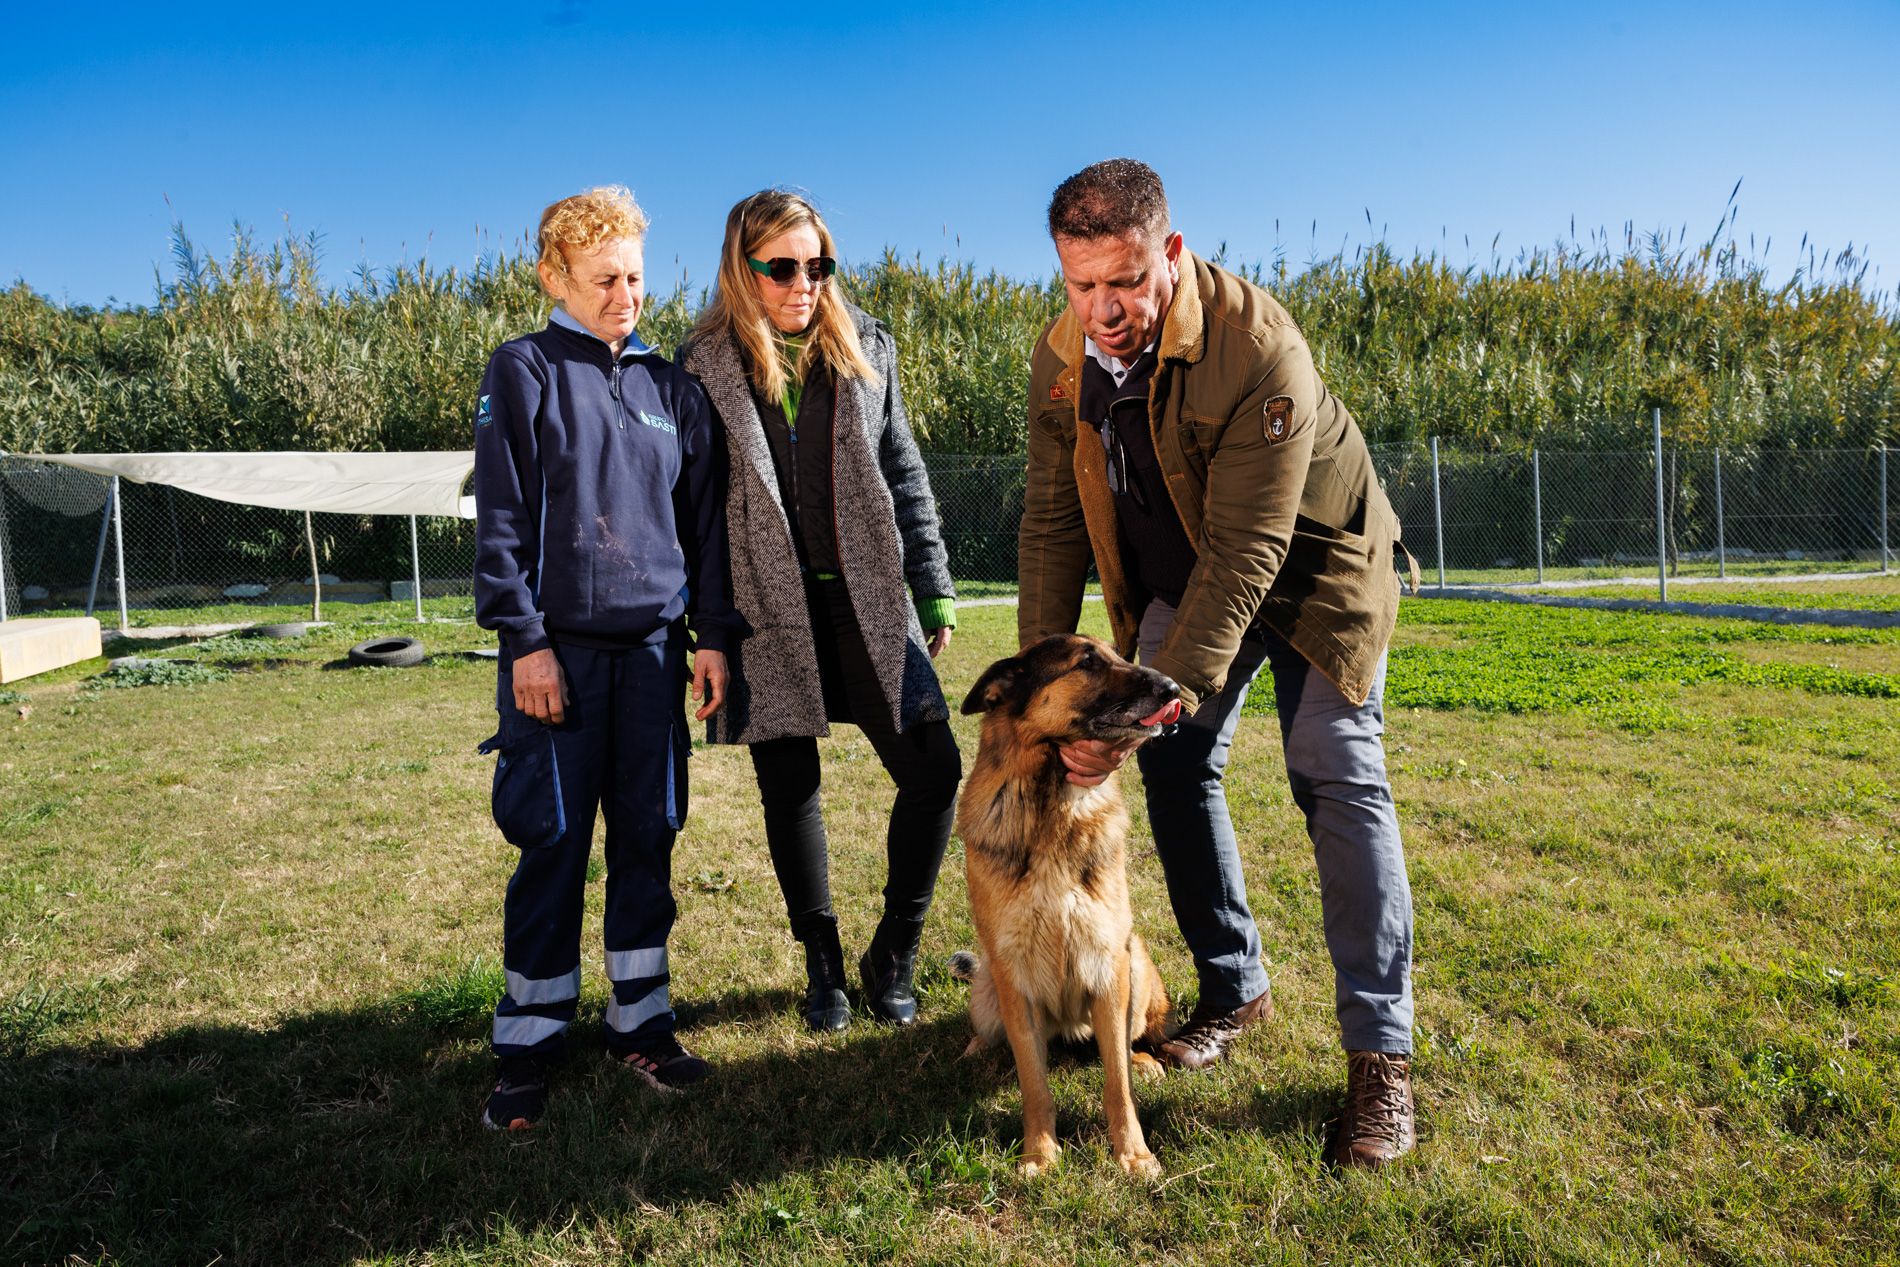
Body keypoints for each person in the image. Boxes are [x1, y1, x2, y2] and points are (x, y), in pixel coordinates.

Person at [1016, 159, 1418, 1168]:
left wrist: (1146, 705)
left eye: (1124, 282)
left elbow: (1248, 552)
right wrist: (1039, 691)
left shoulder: (1256, 345)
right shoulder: (1060, 358)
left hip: (1313, 573)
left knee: (1335, 771)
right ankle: (1235, 987)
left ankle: (1382, 1062)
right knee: (1177, 763)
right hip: (1187, 572)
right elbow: (1053, 521)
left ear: (1173, 254)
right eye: (1079, 285)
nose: (1101, 311)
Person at [472, 185, 739, 1130]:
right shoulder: (525, 370)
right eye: (602, 278)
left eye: (634, 275)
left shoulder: (673, 389)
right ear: (554, 276)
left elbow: (703, 528)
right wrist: (526, 643)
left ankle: (642, 1023)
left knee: (649, 837)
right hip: (560, 660)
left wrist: (711, 639)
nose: (625, 294)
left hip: (657, 656)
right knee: (551, 841)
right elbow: (502, 522)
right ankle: (529, 1041)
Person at [681, 190, 961, 1033]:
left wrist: (933, 581)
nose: (805, 283)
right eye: (784, 267)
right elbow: (696, 509)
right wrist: (711, 626)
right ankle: (824, 966)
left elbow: (903, 467)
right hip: (767, 607)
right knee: (789, 789)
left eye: (819, 265)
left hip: (869, 601)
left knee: (936, 769)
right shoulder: (702, 366)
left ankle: (895, 952)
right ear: (744, 267)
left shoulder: (868, 343)